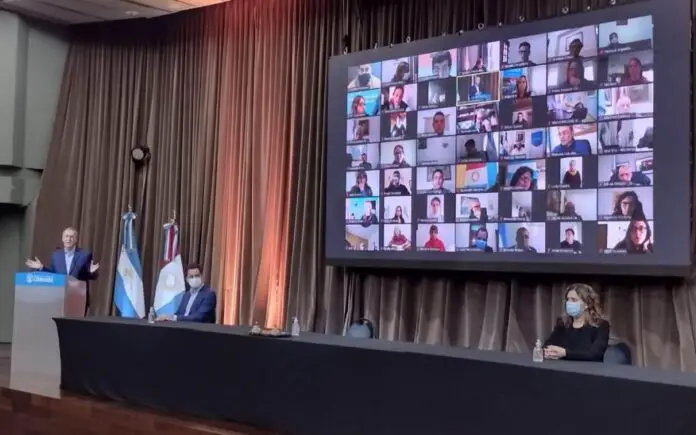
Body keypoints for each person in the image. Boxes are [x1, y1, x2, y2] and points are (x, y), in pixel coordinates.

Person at [25, 227, 99, 313]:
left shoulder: (84, 255)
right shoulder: (56, 255)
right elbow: (54, 275)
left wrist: (92, 272)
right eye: (66, 236)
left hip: (78, 298)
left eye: (71, 237)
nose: (68, 239)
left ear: (76, 239)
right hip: (59, 297)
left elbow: (90, 276)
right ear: (62, 238)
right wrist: (41, 267)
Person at [544, 283, 610, 362]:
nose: (569, 303)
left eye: (574, 300)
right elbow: (547, 345)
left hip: (589, 368)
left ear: (587, 304)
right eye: (568, 299)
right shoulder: (563, 323)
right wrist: (549, 352)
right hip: (562, 367)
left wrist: (565, 353)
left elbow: (595, 354)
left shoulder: (601, 325)